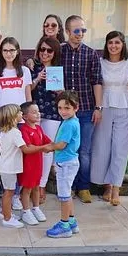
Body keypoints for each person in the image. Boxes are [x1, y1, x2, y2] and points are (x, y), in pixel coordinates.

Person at [90, 31, 128, 206]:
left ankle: (116, 187)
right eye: (110, 42)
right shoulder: (100, 62)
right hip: (104, 106)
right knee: (102, 147)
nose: (114, 46)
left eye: (117, 42)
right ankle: (106, 185)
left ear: (123, 44)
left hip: (124, 106)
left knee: (120, 147)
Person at [60, 15, 102, 204]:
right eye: (77, 31)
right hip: (65, 111)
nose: (80, 34)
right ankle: (67, 185)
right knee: (67, 150)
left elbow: (97, 81)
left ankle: (83, 187)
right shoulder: (59, 51)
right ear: (68, 32)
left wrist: (98, 107)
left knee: (84, 151)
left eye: (83, 30)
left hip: (85, 108)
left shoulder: (91, 53)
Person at [0, 36, 32, 198]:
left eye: (12, 50)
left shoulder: (25, 71)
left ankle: (17, 192)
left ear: (17, 52)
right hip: (3, 120)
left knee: (20, 156)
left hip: (21, 120)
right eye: (5, 50)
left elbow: (28, 96)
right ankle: (4, 187)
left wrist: (29, 118)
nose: (8, 54)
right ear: (1, 52)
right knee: (4, 155)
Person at [30, 36, 62, 207]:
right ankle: (31, 185)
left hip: (52, 114)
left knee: (47, 150)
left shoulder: (59, 69)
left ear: (55, 52)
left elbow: (66, 95)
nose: (45, 53)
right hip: (33, 114)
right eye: (42, 49)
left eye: (49, 50)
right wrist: (37, 78)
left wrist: (59, 90)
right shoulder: (32, 67)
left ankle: (41, 186)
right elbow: (27, 89)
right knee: (32, 149)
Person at [46, 91, 81, 238]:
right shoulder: (72, 121)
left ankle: (64, 224)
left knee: (64, 196)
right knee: (67, 194)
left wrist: (49, 147)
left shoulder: (69, 125)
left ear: (76, 108)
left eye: (67, 108)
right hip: (69, 162)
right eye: (60, 108)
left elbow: (61, 144)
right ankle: (72, 221)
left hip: (66, 163)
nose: (63, 111)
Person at [16, 101, 52, 225]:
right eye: (34, 112)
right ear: (25, 116)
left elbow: (48, 142)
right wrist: (43, 148)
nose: (38, 114)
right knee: (27, 189)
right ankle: (25, 211)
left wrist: (59, 145)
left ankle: (36, 208)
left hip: (38, 164)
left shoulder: (39, 128)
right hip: (28, 165)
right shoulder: (24, 130)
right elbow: (28, 147)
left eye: (38, 111)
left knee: (36, 187)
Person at [0, 104, 26, 228]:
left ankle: (5, 213)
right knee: (9, 192)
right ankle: (7, 218)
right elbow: (25, 148)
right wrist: (43, 148)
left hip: (5, 167)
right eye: (19, 112)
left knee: (7, 191)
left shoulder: (5, 132)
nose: (21, 114)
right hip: (9, 168)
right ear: (13, 117)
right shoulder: (15, 133)